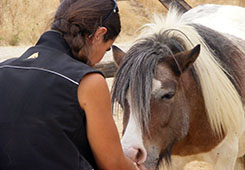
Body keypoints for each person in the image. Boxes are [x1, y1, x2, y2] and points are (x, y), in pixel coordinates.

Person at [0, 0, 141, 169]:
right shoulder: (88, 82)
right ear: (99, 34)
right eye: (107, 48)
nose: (102, 57)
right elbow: (113, 164)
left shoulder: (4, 69)